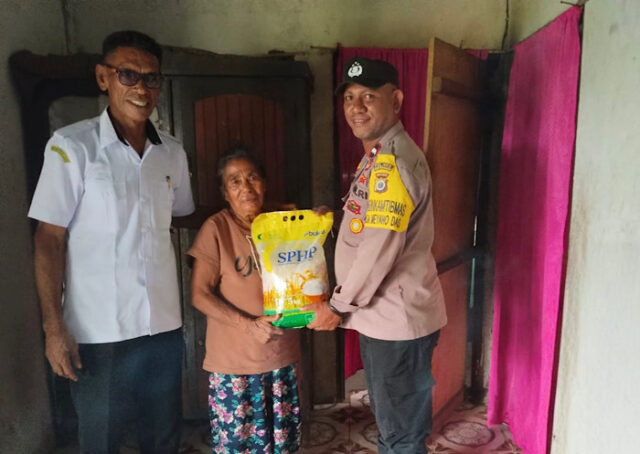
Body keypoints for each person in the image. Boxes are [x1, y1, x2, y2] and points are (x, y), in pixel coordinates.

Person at [28, 31, 195, 453]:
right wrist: (53, 328)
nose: (141, 88)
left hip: (162, 329)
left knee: (163, 438)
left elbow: (182, 215)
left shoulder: (171, 153)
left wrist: (256, 218)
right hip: (98, 333)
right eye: (128, 75)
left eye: (151, 78)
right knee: (101, 441)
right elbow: (49, 238)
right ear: (104, 77)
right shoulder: (72, 147)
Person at [307, 57, 447, 454]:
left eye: (369, 96)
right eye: (349, 97)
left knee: (400, 436)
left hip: (395, 323)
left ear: (396, 101)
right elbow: (376, 223)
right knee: (395, 427)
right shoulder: (378, 154)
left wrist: (338, 306)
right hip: (385, 318)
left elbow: (379, 247)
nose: (356, 107)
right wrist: (337, 218)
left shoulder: (392, 162)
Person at [188, 147, 301, 454]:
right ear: (225, 193)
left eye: (252, 178)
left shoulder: (282, 223)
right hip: (234, 366)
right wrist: (249, 325)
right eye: (235, 181)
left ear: (264, 183)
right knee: (239, 446)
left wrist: (313, 221)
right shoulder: (216, 229)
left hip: (280, 358)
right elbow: (199, 295)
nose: (246, 187)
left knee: (282, 445)